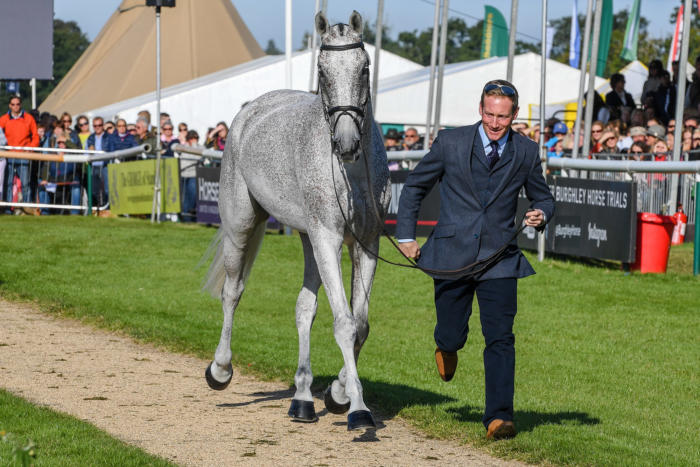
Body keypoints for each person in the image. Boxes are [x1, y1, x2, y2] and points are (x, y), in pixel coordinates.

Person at [396, 80, 554, 440]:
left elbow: (543, 198)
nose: (494, 123)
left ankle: (499, 417)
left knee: (501, 337)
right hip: (451, 254)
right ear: (479, 109)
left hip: (500, 257)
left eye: (502, 116)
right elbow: (416, 186)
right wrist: (406, 235)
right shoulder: (450, 143)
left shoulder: (527, 152)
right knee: (451, 333)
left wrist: (540, 215)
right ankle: (446, 346)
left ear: (514, 115)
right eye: (488, 114)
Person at [0, 96, 39, 206]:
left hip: (23, 156)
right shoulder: (3, 119)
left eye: (17, 104)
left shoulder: (29, 118)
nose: (15, 106)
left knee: (25, 184)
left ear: (20, 105)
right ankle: (7, 208)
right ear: (9, 105)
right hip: (9, 155)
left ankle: (27, 207)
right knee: (7, 183)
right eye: (13, 104)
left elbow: (35, 136)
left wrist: (30, 149)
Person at [86, 116, 109, 206]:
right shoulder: (90, 138)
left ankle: (107, 209)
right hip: (94, 166)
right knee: (93, 191)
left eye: (99, 125)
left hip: (105, 165)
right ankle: (95, 210)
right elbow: (85, 152)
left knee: (106, 190)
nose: (97, 127)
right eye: (95, 126)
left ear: (103, 125)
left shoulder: (108, 137)